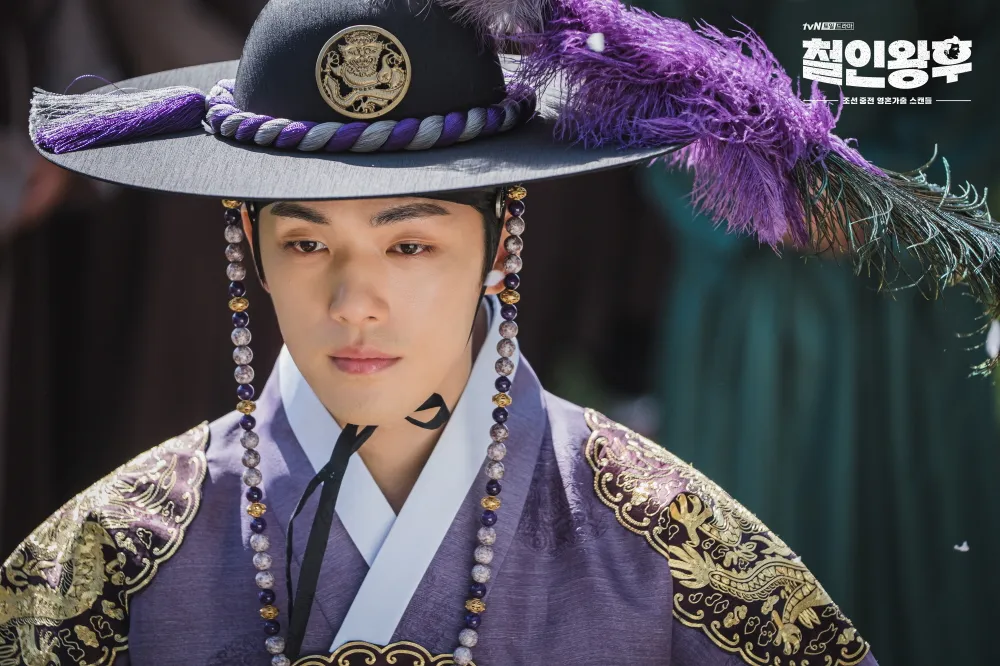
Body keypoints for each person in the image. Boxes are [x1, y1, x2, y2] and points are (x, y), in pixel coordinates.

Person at [3, 0, 997, 664]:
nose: (353, 302)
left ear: (497, 244)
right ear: (251, 251)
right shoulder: (110, 555)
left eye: (410, 246)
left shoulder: (670, 544)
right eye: (305, 245)